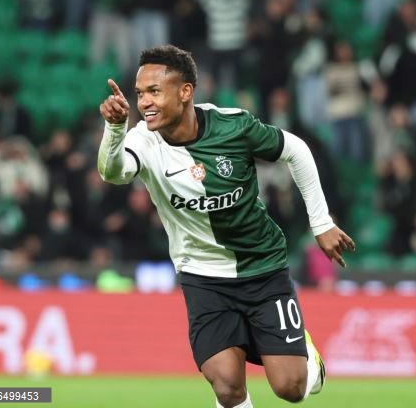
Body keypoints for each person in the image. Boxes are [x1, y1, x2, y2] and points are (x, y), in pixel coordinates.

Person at [97, 45, 355, 408]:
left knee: (290, 388)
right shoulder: (143, 139)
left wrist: (322, 223)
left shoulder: (233, 126)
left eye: (154, 91)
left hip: (262, 268)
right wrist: (114, 128)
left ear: (185, 92)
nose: (144, 103)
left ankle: (307, 356)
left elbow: (296, 150)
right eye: (140, 94)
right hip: (202, 275)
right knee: (227, 386)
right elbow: (114, 172)